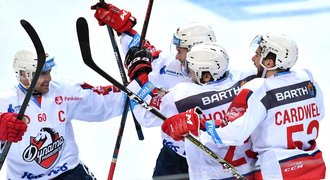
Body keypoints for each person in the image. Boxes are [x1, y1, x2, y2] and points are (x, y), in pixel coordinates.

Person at [162, 32, 326, 179]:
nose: (253, 59)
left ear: (269, 62)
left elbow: (235, 131)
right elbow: (320, 112)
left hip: (277, 172)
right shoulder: (306, 79)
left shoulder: (260, 88)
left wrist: (198, 124)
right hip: (312, 167)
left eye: (258, 54)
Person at [91, 2, 219, 178]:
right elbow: (147, 53)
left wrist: (140, 80)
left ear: (194, 51)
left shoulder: (220, 80)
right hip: (174, 156)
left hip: (209, 159)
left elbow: (149, 116)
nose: (176, 56)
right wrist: (125, 29)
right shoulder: (174, 67)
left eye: (180, 51)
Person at [126, 42, 257, 179]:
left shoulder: (182, 95)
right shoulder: (248, 82)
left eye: (192, 70)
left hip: (210, 174)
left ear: (206, 75)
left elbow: (146, 114)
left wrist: (139, 77)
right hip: (250, 170)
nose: (189, 74)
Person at [0, 48, 126, 179]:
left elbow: (103, 101)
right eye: (42, 73)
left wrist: (136, 90)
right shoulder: (5, 102)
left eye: (49, 72)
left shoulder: (64, 91)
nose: (49, 78)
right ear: (23, 74)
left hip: (69, 172)